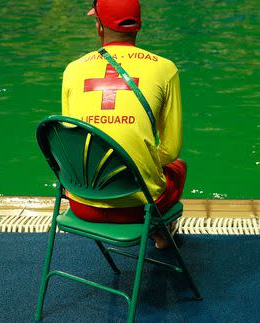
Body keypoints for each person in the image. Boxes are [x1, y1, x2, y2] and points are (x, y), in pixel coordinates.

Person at [61, 0, 185, 248]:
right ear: (138, 27)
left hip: (83, 202)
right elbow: (171, 150)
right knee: (178, 168)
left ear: (99, 26)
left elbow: (70, 144)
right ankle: (160, 234)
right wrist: (133, 163)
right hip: (138, 208)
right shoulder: (165, 69)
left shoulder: (72, 71)